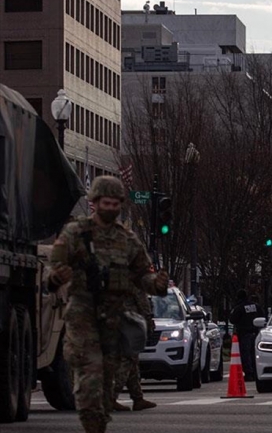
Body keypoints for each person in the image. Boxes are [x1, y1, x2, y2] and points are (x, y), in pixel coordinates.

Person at [48, 176, 169, 433]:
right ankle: (91, 423)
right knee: (90, 375)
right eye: (106, 203)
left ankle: (98, 423)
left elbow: (141, 274)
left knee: (104, 383)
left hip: (113, 319)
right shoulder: (77, 233)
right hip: (83, 314)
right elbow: (55, 264)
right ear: (94, 202)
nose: (111, 208)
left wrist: (156, 284)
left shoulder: (127, 239)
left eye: (116, 204)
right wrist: (57, 277)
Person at [111, 289, 157, 412]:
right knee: (128, 359)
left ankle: (138, 398)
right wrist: (148, 320)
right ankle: (111, 397)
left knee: (133, 361)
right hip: (130, 320)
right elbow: (142, 300)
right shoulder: (134, 277)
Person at [229, 289, 263, 381]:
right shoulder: (256, 306)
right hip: (257, 333)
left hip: (244, 334)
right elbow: (263, 317)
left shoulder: (239, 308)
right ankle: (256, 372)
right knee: (255, 354)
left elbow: (232, 320)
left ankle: (249, 374)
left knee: (245, 354)